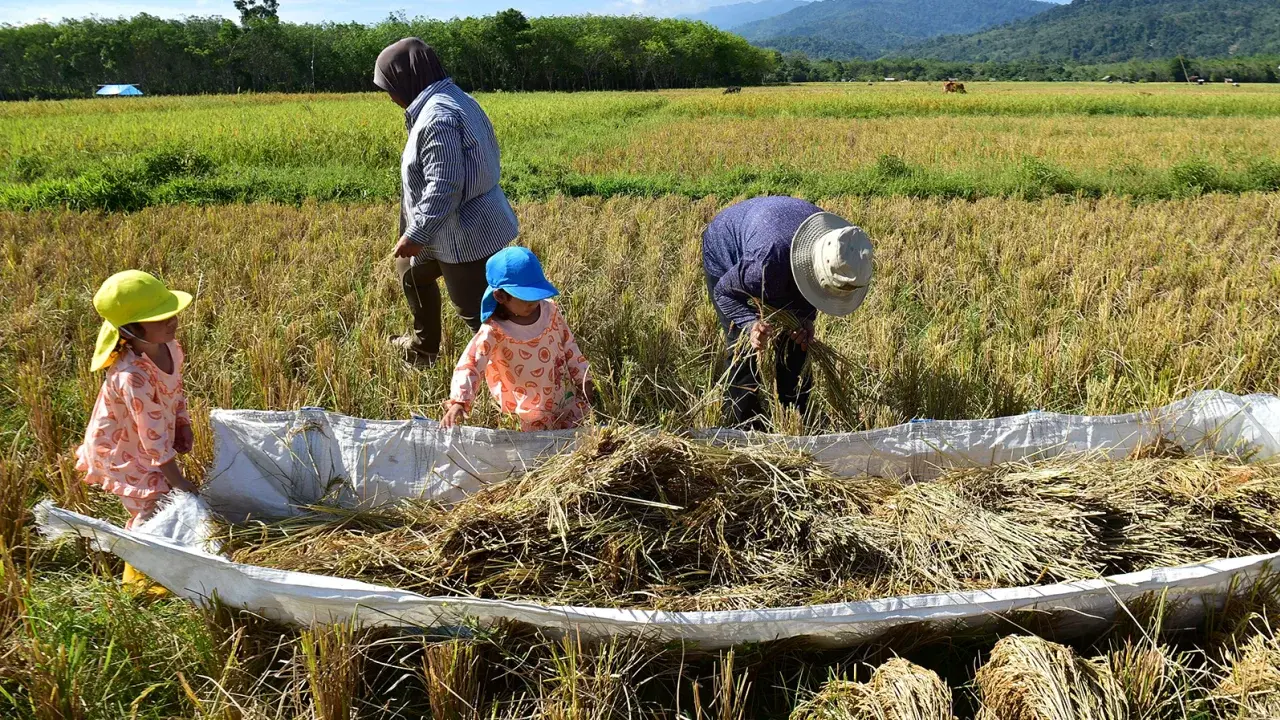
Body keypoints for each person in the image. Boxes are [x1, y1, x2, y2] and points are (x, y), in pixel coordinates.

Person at [375, 37, 519, 367]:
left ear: (406, 80)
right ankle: (423, 348)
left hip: (464, 236)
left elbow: (445, 184)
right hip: (452, 230)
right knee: (410, 273)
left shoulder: (438, 115)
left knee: (478, 317)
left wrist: (418, 233)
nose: (389, 96)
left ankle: (514, 381)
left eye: (389, 87)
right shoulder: (454, 99)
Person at [702, 196, 873, 430]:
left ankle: (795, 418)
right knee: (745, 348)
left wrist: (806, 318)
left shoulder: (843, 249)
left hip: (778, 241)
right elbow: (725, 293)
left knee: (796, 341)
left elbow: (815, 286)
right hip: (729, 246)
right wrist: (751, 324)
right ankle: (743, 425)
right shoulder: (765, 264)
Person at [76, 270, 199, 592]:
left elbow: (175, 390)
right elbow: (152, 438)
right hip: (124, 449)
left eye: (170, 311)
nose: (171, 320)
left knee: (166, 496)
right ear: (131, 330)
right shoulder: (132, 376)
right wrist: (179, 480)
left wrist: (183, 422)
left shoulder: (171, 347)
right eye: (159, 318)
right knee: (151, 505)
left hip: (148, 439)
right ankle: (139, 581)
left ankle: (164, 563)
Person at [442, 247, 592, 432]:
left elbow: (569, 346)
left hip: (564, 400)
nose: (535, 303)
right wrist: (460, 400)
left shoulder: (550, 312)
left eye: (537, 296)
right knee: (539, 454)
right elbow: (471, 364)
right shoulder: (494, 331)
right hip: (527, 413)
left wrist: (584, 377)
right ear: (500, 296)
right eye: (526, 299)